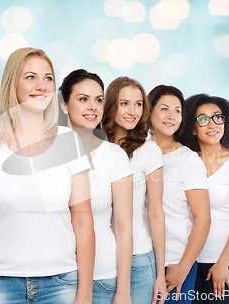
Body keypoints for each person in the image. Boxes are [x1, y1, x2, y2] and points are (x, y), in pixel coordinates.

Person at [0, 47, 95, 304]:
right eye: (30, 77)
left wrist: (85, 294)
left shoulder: (69, 142)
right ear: (13, 83)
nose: (41, 86)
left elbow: (84, 222)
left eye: (48, 78)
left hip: (61, 284)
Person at [59, 69, 133, 304]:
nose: (93, 107)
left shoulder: (114, 156)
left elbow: (123, 227)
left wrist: (123, 292)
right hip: (54, 279)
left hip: (103, 279)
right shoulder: (46, 152)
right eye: (83, 99)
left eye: (98, 100)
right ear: (64, 105)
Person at [176, 94, 229, 303]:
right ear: (192, 128)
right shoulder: (185, 162)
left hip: (224, 267)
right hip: (187, 265)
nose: (212, 124)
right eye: (202, 119)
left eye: (217, 117)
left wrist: (223, 263)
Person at [102, 77, 167, 304]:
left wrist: (159, 275)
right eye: (124, 103)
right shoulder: (94, 146)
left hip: (138, 258)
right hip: (98, 259)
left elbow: (156, 213)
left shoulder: (149, 151)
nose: (133, 111)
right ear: (111, 105)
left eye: (138, 104)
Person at [147, 86, 211, 304]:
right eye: (164, 109)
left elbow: (203, 218)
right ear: (149, 111)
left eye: (177, 111)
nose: (171, 116)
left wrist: (183, 268)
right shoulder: (135, 152)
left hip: (173, 265)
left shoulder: (188, 160)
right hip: (139, 262)